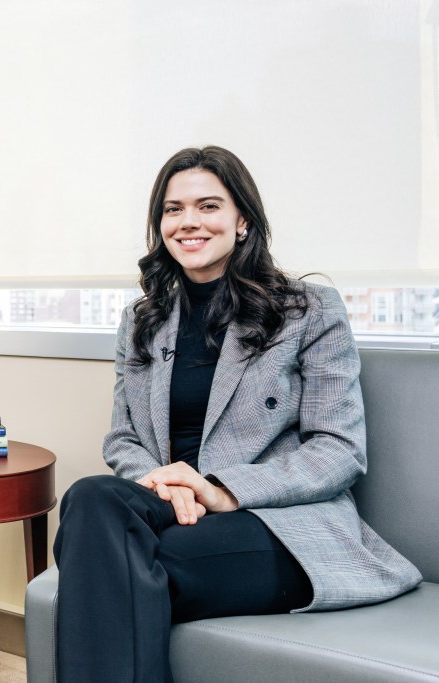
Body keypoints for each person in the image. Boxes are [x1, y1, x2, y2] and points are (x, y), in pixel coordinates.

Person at [52, 146, 421, 682]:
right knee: (89, 495)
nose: (188, 222)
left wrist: (220, 489)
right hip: (173, 509)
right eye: (173, 210)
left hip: (277, 524)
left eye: (207, 205)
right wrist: (171, 486)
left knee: (106, 568)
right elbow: (123, 440)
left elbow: (339, 451)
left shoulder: (308, 309)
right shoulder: (141, 320)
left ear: (241, 218)